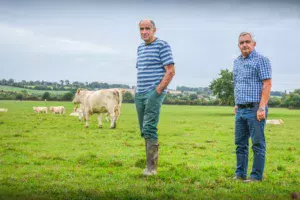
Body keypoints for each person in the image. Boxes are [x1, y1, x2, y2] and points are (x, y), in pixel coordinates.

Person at [134, 19, 175, 176]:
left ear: (154, 30)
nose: (144, 31)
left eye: (147, 28)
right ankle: (148, 166)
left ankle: (152, 169)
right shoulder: (140, 48)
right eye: (141, 29)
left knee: (149, 127)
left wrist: (157, 91)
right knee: (143, 129)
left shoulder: (162, 45)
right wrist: (137, 91)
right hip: (140, 93)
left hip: (153, 92)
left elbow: (170, 71)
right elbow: (142, 70)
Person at [233, 32, 272, 182]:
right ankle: (240, 174)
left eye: (247, 42)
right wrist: (237, 103)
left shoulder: (261, 60)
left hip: (255, 109)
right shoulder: (237, 61)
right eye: (242, 43)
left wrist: (262, 108)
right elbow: (237, 83)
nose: (244, 45)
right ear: (238, 46)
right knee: (240, 144)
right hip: (241, 109)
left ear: (254, 44)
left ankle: (256, 176)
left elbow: (267, 84)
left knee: (257, 144)